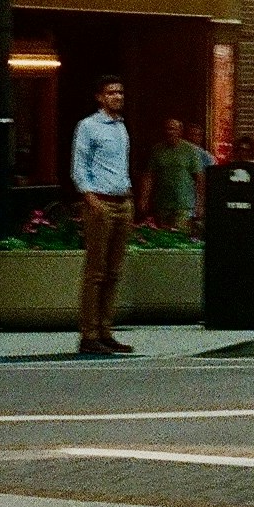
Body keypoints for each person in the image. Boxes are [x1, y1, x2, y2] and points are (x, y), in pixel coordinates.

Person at [71, 76, 133, 356]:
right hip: (101, 202)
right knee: (96, 272)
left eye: (120, 92)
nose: (117, 97)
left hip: (122, 202)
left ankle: (106, 331)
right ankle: (89, 334)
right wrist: (91, 199)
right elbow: (79, 165)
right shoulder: (88, 126)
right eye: (111, 93)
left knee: (114, 272)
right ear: (100, 97)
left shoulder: (121, 127)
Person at [142, 115, 207, 235]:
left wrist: (200, 204)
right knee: (163, 237)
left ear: (180, 131)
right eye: (168, 129)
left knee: (181, 238)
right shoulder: (157, 150)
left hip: (184, 204)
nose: (170, 132)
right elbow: (149, 176)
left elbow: (200, 178)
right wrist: (144, 199)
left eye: (174, 129)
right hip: (162, 204)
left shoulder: (190, 151)